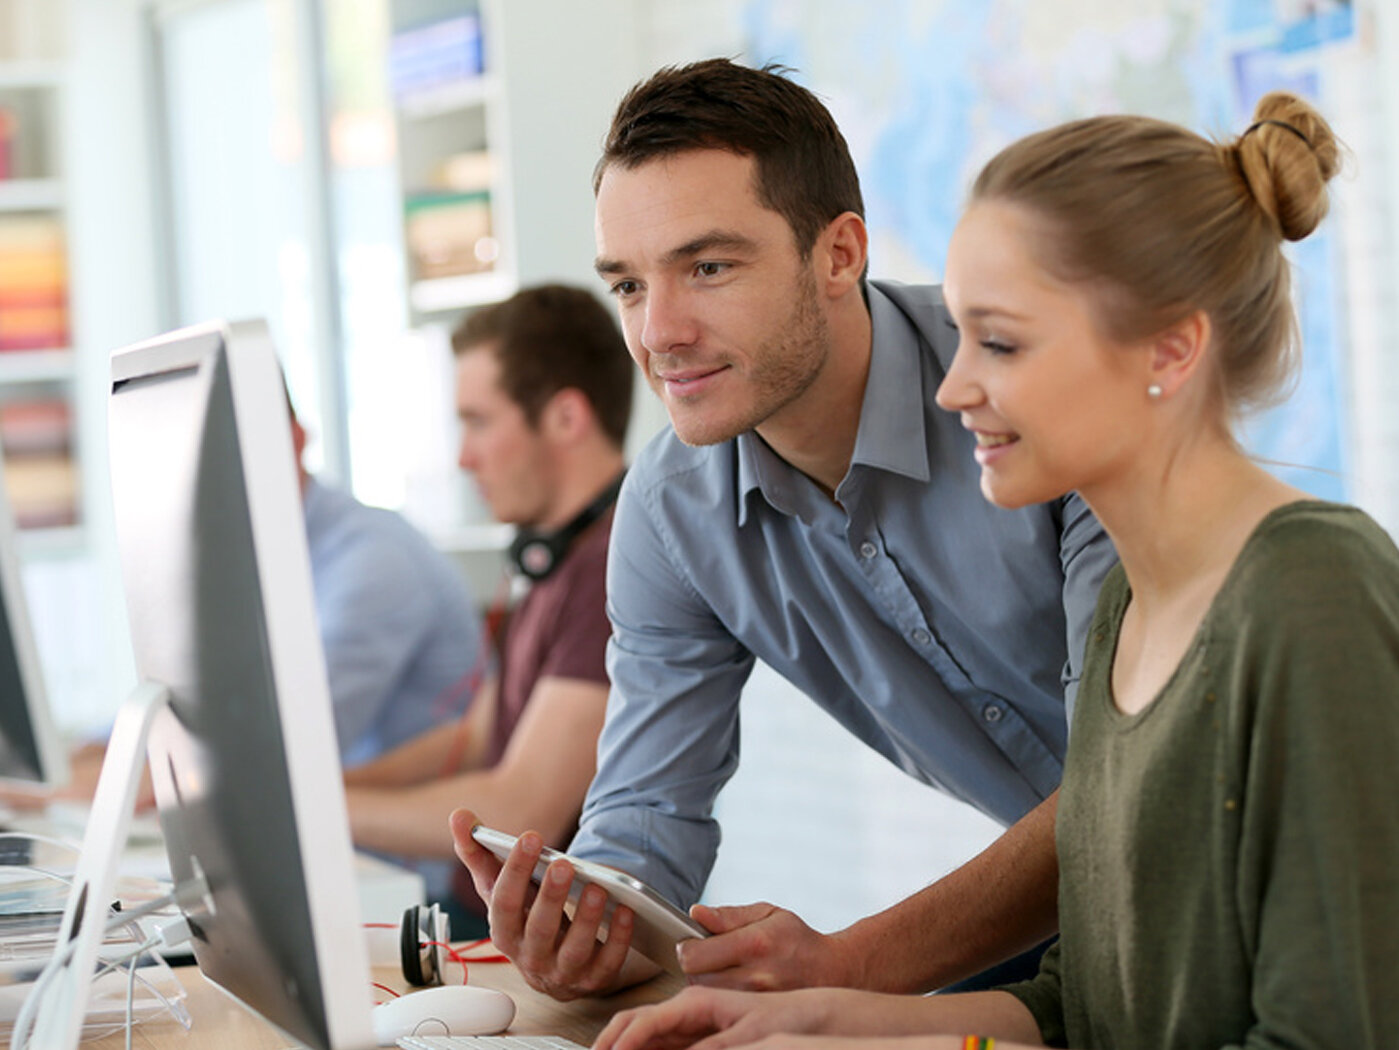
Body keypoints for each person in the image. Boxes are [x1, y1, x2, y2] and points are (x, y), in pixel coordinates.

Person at [589, 92, 1399, 1050]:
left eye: (1001, 342)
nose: (951, 384)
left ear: (1170, 349)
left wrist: (865, 986)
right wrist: (815, 1022)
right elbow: (1087, 1003)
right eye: (629, 287)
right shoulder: (1124, 625)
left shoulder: (1310, 588)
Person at [451, 58, 1118, 1000]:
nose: (659, 333)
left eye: (708, 267)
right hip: (1095, 909)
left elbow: (1131, 778)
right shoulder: (671, 513)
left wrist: (850, 966)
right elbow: (647, 809)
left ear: (839, 254)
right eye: (630, 287)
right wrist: (592, 916)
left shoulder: (1029, 390)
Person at [342, 283, 632, 938]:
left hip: (537, 945)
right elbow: (473, 737)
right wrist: (332, 784)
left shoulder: (613, 569)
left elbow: (518, 810)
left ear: (564, 418)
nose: (462, 456)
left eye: (477, 421)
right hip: (473, 915)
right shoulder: (550, 556)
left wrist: (309, 809)